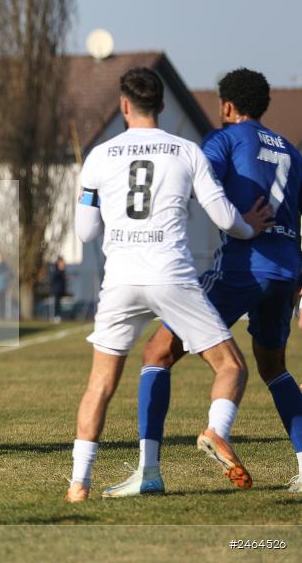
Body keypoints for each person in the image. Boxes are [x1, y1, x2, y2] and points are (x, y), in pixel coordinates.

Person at [65, 67, 273, 503]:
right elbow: (224, 218)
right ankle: (215, 430)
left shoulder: (99, 156)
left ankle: (79, 484)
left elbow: (85, 233)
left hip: (121, 280)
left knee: (100, 384)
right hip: (171, 275)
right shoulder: (186, 150)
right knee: (231, 366)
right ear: (161, 105)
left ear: (124, 105)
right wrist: (250, 227)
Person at [107, 68, 302, 497]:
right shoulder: (291, 150)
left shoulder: (224, 139)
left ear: (227, 106)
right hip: (287, 270)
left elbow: (198, 184)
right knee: (274, 367)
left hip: (242, 267)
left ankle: (152, 469)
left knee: (157, 352)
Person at [50, 256, 68, 322]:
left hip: (61, 289)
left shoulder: (62, 271)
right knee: (56, 303)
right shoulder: (55, 271)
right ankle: (56, 316)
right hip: (56, 289)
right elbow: (53, 279)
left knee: (59, 303)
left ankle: (59, 315)